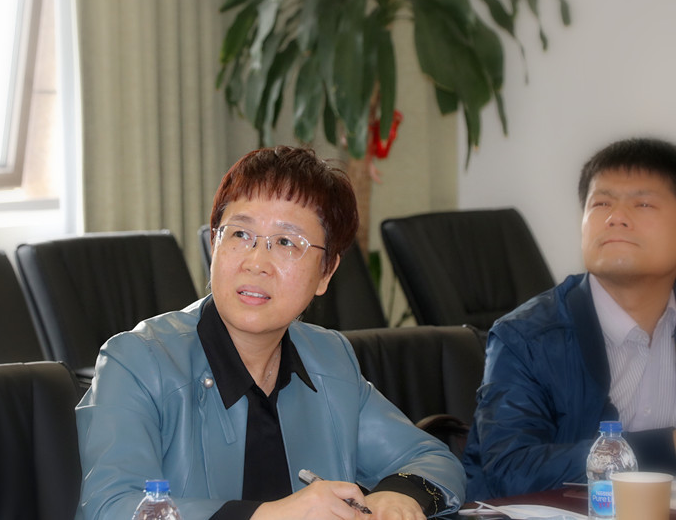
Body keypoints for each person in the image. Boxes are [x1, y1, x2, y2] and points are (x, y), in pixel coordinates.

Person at [76, 146, 466, 520]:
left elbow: (432, 460)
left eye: (285, 242)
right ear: (214, 244)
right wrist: (272, 515)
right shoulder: (137, 361)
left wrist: (397, 496)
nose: (256, 262)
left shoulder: (329, 359)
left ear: (326, 272)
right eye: (239, 235)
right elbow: (111, 508)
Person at [463, 137, 676, 500]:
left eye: (642, 203)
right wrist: (663, 446)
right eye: (601, 203)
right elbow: (511, 470)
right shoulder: (524, 337)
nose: (616, 217)